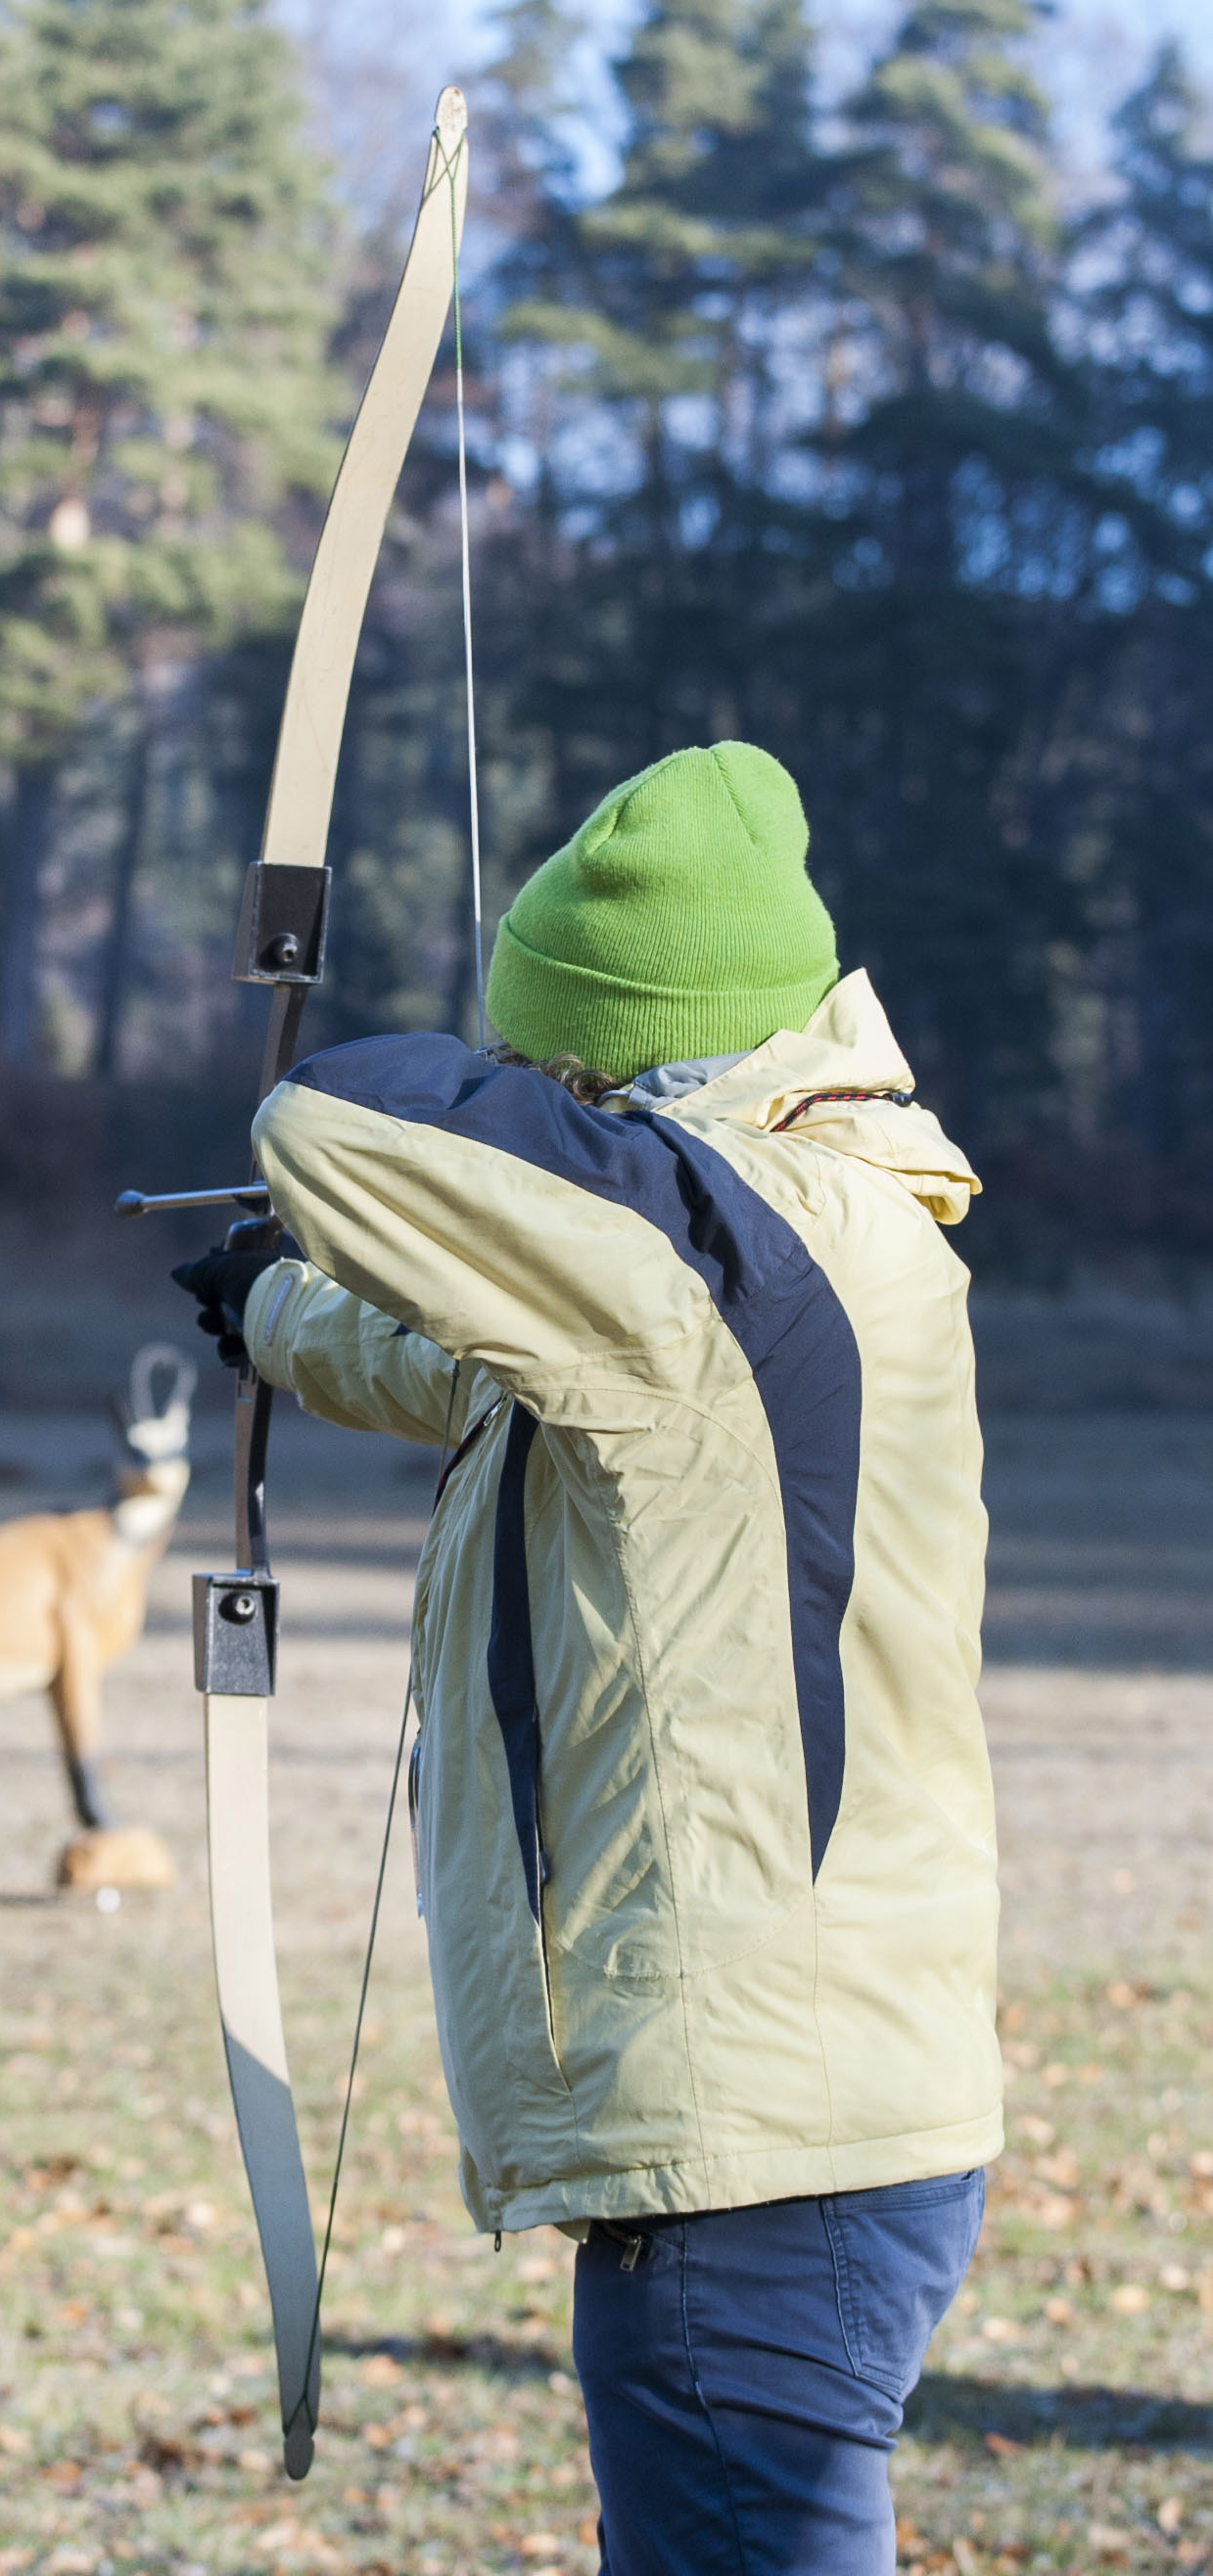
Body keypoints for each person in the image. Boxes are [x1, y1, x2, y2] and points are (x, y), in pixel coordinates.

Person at [173, 741, 998, 2575]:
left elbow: (343, 1121)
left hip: (765, 2141)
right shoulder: (785, 1240)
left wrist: (474, 1111)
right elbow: (494, 1370)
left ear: (617, 1065)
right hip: (809, 2113)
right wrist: (277, 1304)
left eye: (557, 1062)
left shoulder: (730, 1243)